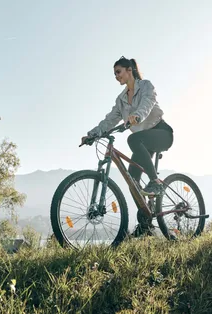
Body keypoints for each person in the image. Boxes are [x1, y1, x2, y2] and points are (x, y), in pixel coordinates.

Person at [81, 56, 174, 235]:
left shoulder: (146, 86)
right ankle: (145, 222)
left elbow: (148, 103)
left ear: (129, 70)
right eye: (114, 74)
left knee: (133, 139)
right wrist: (91, 135)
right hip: (143, 141)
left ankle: (155, 182)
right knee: (132, 180)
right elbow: (109, 120)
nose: (116, 76)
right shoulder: (121, 99)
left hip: (161, 133)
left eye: (118, 72)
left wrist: (137, 116)